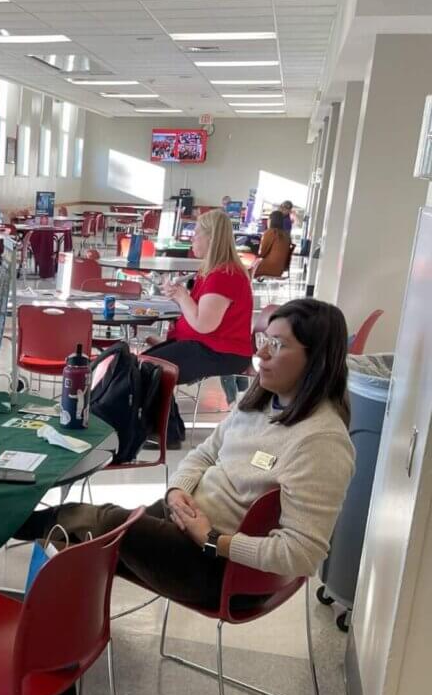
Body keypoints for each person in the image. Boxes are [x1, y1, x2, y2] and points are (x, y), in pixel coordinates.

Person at [18, 297, 355, 613]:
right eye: (264, 339)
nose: (262, 354)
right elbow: (205, 453)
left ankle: (10, 527)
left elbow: (302, 555)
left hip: (221, 567)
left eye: (278, 345)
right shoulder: (264, 400)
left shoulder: (321, 442)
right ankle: (54, 648)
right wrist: (177, 490)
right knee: (82, 544)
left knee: (103, 523)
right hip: (185, 528)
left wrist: (212, 539)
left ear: (317, 360)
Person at [146, 209, 253, 446]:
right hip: (207, 345)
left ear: (211, 238)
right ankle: (167, 427)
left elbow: (204, 324)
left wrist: (183, 297)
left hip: (221, 352)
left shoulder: (223, 275)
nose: (191, 239)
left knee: (150, 369)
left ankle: (166, 433)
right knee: (145, 363)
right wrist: (179, 296)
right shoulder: (214, 271)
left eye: (196, 234)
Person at [252, 210, 293, 279]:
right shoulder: (286, 235)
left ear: (271, 220)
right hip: (279, 269)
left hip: (268, 267)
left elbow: (262, 253)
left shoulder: (271, 232)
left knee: (244, 267)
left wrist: (251, 250)